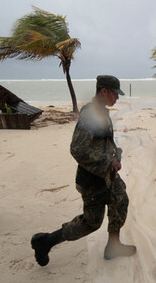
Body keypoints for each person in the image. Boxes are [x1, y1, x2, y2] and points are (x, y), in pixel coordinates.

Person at [31, 75, 136, 266]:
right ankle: (46, 242)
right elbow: (77, 149)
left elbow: (99, 141)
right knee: (91, 223)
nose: (117, 98)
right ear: (103, 91)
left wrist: (113, 154)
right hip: (92, 179)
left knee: (120, 201)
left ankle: (113, 246)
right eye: (115, 93)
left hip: (106, 175)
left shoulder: (101, 111)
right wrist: (107, 162)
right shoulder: (91, 115)